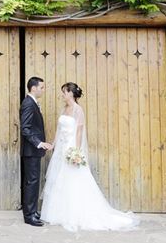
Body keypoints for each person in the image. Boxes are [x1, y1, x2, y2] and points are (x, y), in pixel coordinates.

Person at [40, 82, 139, 232]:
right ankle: (59, 213)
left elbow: (79, 132)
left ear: (71, 93)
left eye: (64, 92)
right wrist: (53, 144)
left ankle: (76, 214)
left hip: (71, 147)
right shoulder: (64, 109)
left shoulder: (78, 110)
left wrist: (76, 152)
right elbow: (59, 130)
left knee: (73, 179)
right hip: (61, 148)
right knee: (59, 179)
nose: (62, 95)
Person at [20, 76, 53, 226]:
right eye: (42, 87)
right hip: (31, 150)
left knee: (33, 181)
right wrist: (39, 143)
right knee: (31, 182)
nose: (43, 90)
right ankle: (29, 215)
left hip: (33, 151)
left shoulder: (33, 103)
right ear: (33, 88)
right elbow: (25, 129)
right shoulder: (28, 103)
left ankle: (32, 211)